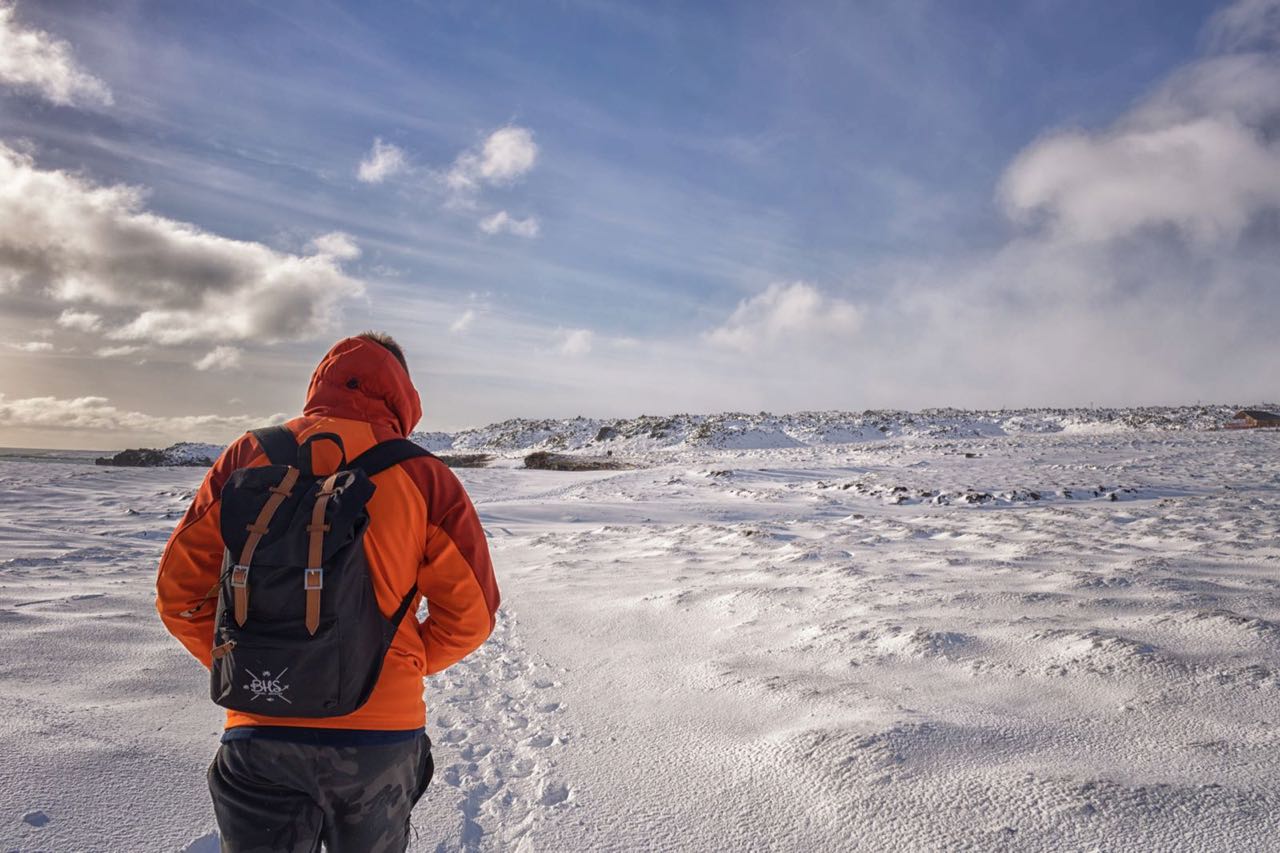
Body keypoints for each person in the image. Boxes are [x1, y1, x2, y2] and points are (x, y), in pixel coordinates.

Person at [156, 333, 499, 852]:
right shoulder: (425, 475)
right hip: (378, 736)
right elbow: (470, 616)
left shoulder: (248, 455)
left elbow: (179, 595)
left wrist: (254, 662)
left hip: (260, 726)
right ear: (403, 391)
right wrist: (398, 661)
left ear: (321, 381)